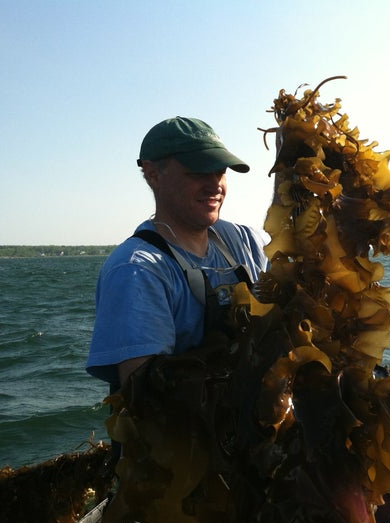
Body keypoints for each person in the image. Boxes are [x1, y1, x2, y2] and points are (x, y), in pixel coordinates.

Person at [86, 116, 269, 389]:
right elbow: (144, 395)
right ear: (153, 174)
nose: (214, 184)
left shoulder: (245, 241)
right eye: (198, 171)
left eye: (220, 171)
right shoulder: (137, 269)